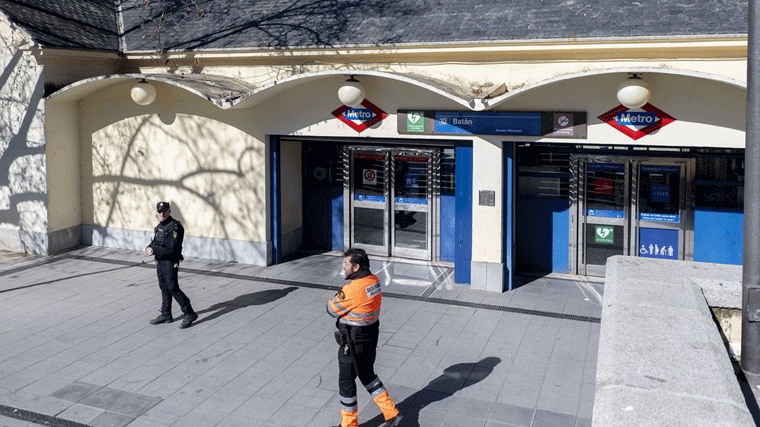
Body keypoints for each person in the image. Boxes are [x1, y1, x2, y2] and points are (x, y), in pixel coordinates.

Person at [326, 248, 402, 427]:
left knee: (346, 383)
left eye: (346, 264)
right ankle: (391, 412)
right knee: (367, 375)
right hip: (370, 337)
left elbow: (330, 309)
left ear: (356, 266)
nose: (344, 267)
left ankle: (349, 424)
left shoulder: (353, 289)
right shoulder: (374, 281)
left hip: (352, 342)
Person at [144, 201, 197, 329]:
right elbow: (156, 242)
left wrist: (154, 251)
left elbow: (171, 248)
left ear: (169, 211)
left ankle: (189, 312)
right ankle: (166, 313)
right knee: (164, 287)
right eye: (159, 211)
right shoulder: (160, 226)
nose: (161, 214)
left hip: (170, 261)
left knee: (173, 287)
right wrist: (149, 247)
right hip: (160, 261)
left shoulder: (175, 227)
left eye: (164, 211)